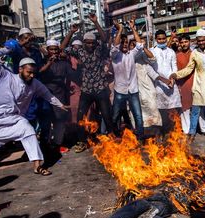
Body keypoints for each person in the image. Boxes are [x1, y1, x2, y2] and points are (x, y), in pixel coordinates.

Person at [0, 47, 69, 175]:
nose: (31, 75)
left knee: (28, 130)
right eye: (28, 72)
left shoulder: (35, 83)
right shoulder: (5, 76)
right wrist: (7, 49)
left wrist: (61, 105)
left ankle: (38, 165)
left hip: (14, 118)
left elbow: (48, 95)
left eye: (33, 73)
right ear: (20, 69)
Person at [61, 13, 111, 152]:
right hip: (87, 91)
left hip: (100, 89)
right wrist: (71, 32)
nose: (90, 45)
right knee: (80, 118)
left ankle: (113, 140)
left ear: (95, 43)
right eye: (87, 42)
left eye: (92, 42)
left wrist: (95, 22)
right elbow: (62, 48)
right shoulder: (80, 51)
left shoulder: (99, 50)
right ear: (83, 43)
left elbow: (105, 38)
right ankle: (82, 141)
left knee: (107, 116)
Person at [171, 29, 205, 141]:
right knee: (195, 110)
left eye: (203, 40)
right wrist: (176, 74)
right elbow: (189, 69)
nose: (201, 43)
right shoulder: (194, 53)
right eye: (198, 41)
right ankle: (192, 132)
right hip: (199, 83)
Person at [39, 39, 76, 152]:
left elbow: (73, 75)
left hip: (60, 95)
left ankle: (58, 144)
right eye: (51, 49)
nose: (54, 52)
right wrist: (49, 63)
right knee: (45, 122)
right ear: (48, 50)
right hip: (45, 95)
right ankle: (45, 144)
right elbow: (39, 72)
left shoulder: (64, 64)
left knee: (59, 121)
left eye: (56, 49)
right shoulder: (42, 61)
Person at [110, 20, 145, 139]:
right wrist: (120, 30)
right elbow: (114, 46)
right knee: (114, 116)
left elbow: (140, 45)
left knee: (138, 116)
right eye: (122, 42)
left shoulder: (132, 54)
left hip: (133, 90)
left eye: (126, 42)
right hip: (120, 91)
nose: (124, 44)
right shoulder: (115, 55)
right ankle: (116, 135)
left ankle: (139, 137)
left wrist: (133, 28)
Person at [174, 34, 205, 135]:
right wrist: (178, 87)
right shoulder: (177, 56)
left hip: (196, 83)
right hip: (183, 85)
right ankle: (187, 130)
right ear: (180, 44)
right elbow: (177, 72)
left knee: (199, 107)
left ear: (189, 42)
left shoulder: (196, 53)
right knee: (184, 109)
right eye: (182, 42)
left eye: (186, 42)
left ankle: (204, 130)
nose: (184, 44)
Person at [150, 29, 181, 135]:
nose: (162, 41)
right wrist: (162, 80)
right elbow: (151, 70)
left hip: (172, 85)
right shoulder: (152, 52)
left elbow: (174, 66)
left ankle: (172, 135)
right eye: (159, 39)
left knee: (172, 112)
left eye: (164, 39)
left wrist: (173, 77)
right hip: (158, 86)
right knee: (161, 112)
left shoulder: (171, 51)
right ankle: (162, 134)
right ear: (156, 39)